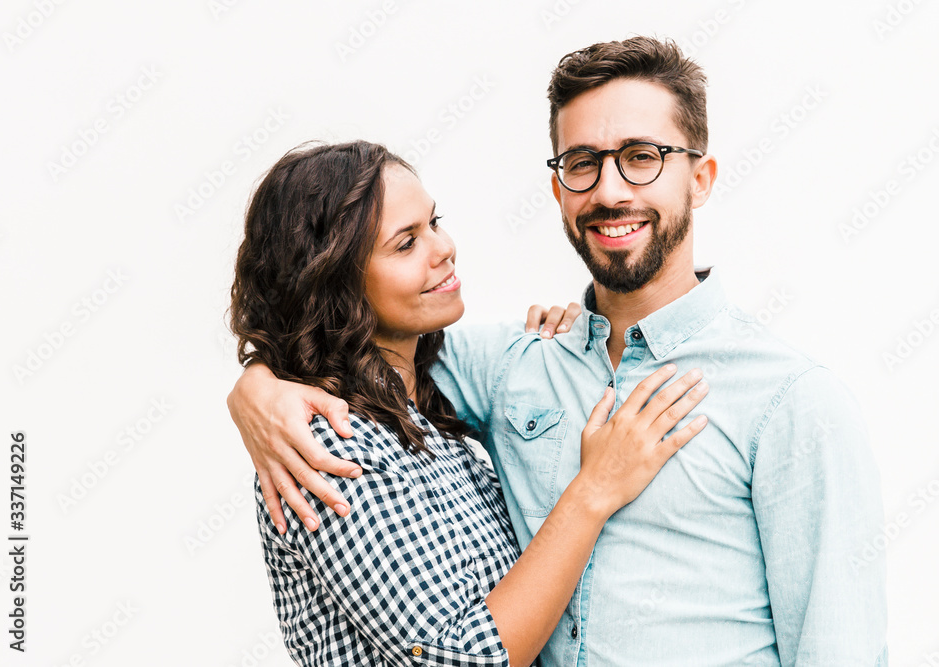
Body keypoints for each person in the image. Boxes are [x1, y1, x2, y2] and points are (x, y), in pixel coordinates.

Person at [229, 38, 888, 666]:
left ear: (701, 177)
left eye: (642, 156)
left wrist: (259, 382)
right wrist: (260, 387)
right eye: (583, 163)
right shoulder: (506, 365)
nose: (609, 191)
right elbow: (345, 348)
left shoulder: (792, 401)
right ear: (558, 187)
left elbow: (840, 648)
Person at [228, 140, 710, 666]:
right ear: (333, 281)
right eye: (405, 243)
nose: (443, 248)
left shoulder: (424, 405)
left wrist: (566, 345)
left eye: (434, 223)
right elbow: (463, 658)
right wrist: (594, 490)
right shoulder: (326, 441)